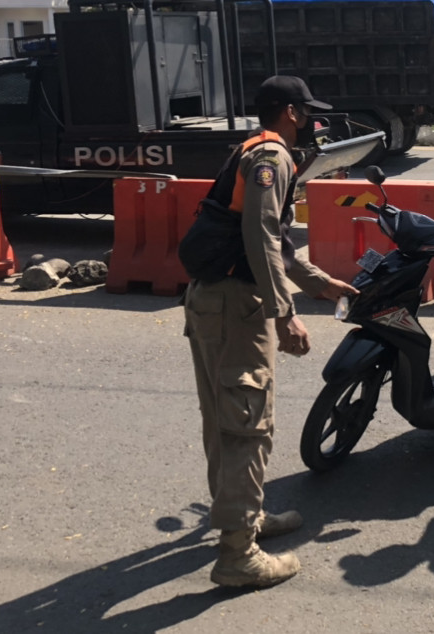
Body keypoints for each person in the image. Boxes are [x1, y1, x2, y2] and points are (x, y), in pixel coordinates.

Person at [182, 75, 358, 588]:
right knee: (247, 424)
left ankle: (246, 517)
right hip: (239, 305)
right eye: (307, 112)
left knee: (225, 419)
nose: (313, 122)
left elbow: (271, 241)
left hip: (212, 299)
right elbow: (259, 235)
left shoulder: (249, 149)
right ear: (289, 113)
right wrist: (285, 312)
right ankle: (238, 554)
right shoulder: (273, 159)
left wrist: (321, 284)